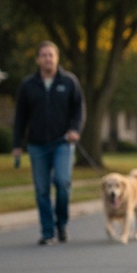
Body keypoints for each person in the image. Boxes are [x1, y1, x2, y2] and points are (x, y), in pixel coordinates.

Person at [12, 41, 86, 245]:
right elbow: (20, 117)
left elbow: (79, 109)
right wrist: (17, 145)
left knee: (62, 183)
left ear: (57, 58)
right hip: (36, 145)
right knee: (42, 189)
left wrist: (75, 130)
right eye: (43, 55)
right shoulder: (28, 85)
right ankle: (47, 232)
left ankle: (61, 224)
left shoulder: (69, 81)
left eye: (51, 55)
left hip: (63, 142)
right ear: (38, 59)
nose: (48, 59)